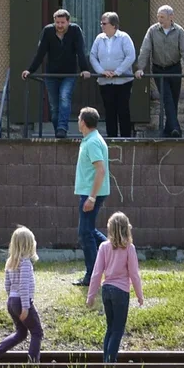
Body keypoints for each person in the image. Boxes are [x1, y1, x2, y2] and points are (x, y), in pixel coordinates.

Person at [85, 211, 143, 363]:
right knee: (118, 329)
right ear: (127, 229)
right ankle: (110, 364)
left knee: (110, 328)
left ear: (110, 229)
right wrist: (139, 295)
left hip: (106, 290)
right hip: (121, 292)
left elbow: (96, 273)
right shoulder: (129, 248)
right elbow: (134, 274)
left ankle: (106, 361)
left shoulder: (104, 247)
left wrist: (90, 296)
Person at [23, 9, 90, 139]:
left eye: (62, 22)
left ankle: (62, 128)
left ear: (68, 22)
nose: (59, 26)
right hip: (51, 74)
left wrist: (84, 69)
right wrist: (30, 70)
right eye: (57, 22)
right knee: (54, 107)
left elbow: (80, 51)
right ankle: (58, 133)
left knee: (64, 97)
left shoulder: (75, 31)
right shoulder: (48, 31)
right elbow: (40, 53)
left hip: (69, 74)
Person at [0, 225, 43, 363]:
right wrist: (25, 307)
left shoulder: (10, 262)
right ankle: (33, 362)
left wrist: (11, 301)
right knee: (37, 332)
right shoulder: (25, 263)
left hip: (12, 301)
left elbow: (7, 284)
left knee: (21, 333)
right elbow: (24, 286)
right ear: (29, 245)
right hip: (21, 302)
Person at [136, 5, 184, 138]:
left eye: (162, 17)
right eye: (158, 17)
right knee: (167, 98)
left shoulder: (179, 31)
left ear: (171, 17)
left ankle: (168, 131)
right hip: (158, 69)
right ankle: (175, 129)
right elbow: (145, 50)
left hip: (174, 68)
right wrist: (140, 68)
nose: (159, 19)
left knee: (174, 99)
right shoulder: (152, 31)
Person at [73, 106, 110, 286]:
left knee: (85, 233)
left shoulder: (93, 142)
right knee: (89, 231)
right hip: (90, 192)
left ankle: (92, 276)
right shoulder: (91, 139)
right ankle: (115, 251)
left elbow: (100, 170)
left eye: (79, 117)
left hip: (91, 194)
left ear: (84, 122)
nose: (78, 120)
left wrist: (92, 197)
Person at [90, 11, 137, 138]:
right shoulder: (99, 39)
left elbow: (130, 56)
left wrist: (118, 72)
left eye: (104, 23)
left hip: (123, 81)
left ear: (113, 25)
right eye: (101, 23)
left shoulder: (124, 37)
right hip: (105, 81)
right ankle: (111, 137)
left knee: (123, 109)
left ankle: (126, 138)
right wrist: (101, 71)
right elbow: (93, 56)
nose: (102, 26)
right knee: (109, 111)